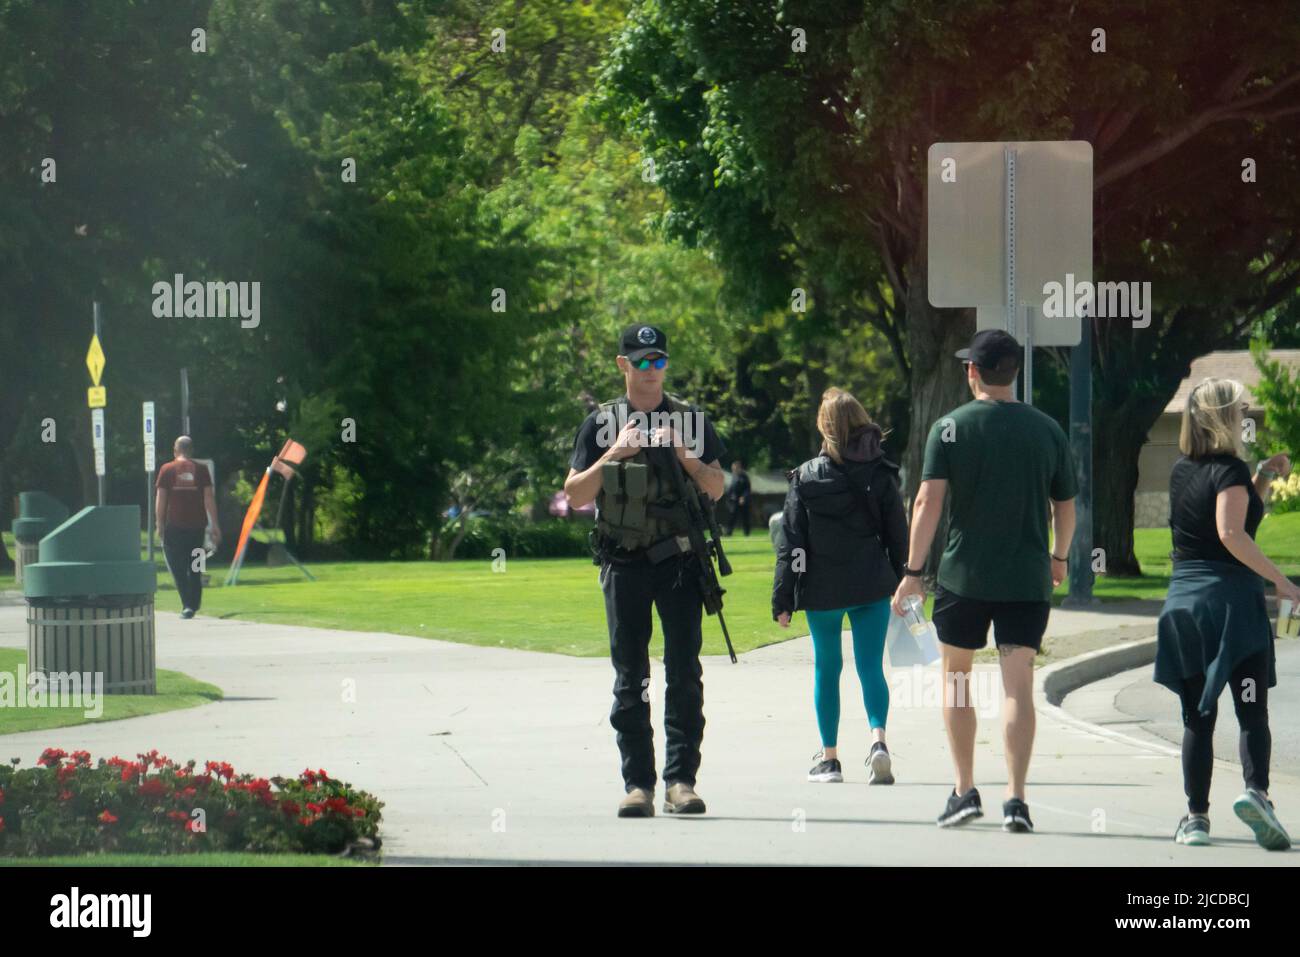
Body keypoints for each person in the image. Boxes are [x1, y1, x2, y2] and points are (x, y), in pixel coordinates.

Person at [892, 329, 1077, 833]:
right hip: (1026, 576)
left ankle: (964, 789)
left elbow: (928, 502)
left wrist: (912, 573)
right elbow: (1065, 505)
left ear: (972, 371)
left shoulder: (949, 429)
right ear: (1013, 372)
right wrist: (1058, 557)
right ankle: (1016, 799)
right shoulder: (1047, 430)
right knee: (1018, 687)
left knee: (956, 681)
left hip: (962, 575)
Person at [564, 324, 727, 818]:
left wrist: (688, 459)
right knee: (630, 676)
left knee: (684, 673)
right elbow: (575, 494)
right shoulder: (601, 424)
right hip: (624, 562)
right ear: (623, 365)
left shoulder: (692, 421)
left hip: (679, 561)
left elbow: (718, 487)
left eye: (658, 361)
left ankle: (681, 781)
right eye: (641, 362)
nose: (650, 371)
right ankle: (639, 785)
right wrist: (616, 453)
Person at [1155, 377, 1299, 850]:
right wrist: (1281, 582)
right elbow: (1231, 533)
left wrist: (1262, 476)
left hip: (1185, 606)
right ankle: (1256, 792)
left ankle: (1195, 818)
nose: (1247, 416)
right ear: (1226, 417)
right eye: (1241, 410)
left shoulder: (1181, 471)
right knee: (1251, 712)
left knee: (1198, 717)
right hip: (1232, 607)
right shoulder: (1229, 470)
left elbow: (1226, 512)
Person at [772, 389, 908, 785]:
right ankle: (878, 741)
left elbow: (791, 543)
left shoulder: (806, 476)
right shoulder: (882, 473)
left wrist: (782, 598)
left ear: (824, 426)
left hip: (822, 589)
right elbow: (898, 536)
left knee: (826, 668)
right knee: (870, 668)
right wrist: (906, 581)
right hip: (871, 585)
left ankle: (829, 759)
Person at [155, 435, 221, 619]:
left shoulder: (166, 469)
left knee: (177, 567)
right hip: (198, 526)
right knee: (196, 565)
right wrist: (215, 525)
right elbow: (209, 498)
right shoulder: (201, 470)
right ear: (191, 451)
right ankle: (195, 601)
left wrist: (159, 523)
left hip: (174, 526)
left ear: (175, 450)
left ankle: (187, 604)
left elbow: (161, 499)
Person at [726, 460, 752, 536]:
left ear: (739, 468)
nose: (733, 469)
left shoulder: (744, 477)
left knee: (745, 517)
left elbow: (747, 489)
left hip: (743, 501)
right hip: (734, 501)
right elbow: (731, 489)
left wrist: (743, 497)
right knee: (732, 517)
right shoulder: (734, 476)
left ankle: (747, 533)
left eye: (735, 468)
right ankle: (728, 533)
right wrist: (729, 498)